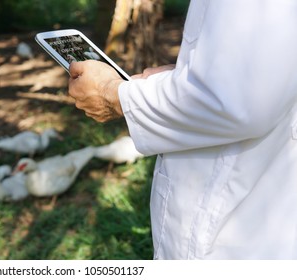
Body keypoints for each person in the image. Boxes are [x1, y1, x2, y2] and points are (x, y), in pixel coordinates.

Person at [68, 0, 297, 259]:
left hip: (232, 230)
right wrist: (184, 73)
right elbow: (264, 69)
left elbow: (240, 103)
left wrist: (114, 95)